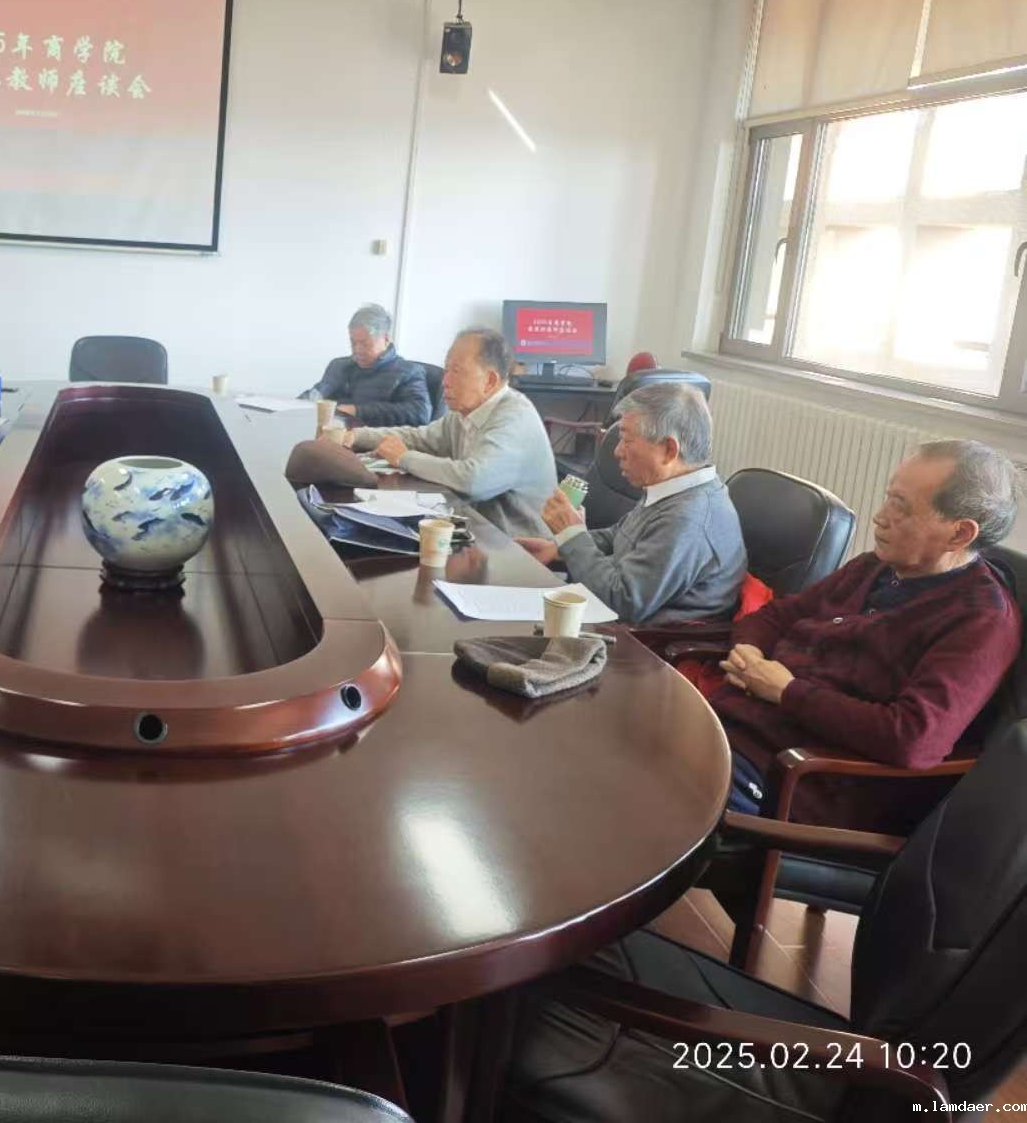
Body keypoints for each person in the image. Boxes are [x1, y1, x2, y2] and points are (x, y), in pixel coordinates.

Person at [712, 439, 1022, 830]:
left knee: (656, 806)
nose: (880, 516)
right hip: (731, 727)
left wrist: (787, 692)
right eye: (889, 497)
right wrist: (750, 653)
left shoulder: (981, 621)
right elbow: (777, 616)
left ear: (959, 534)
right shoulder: (874, 567)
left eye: (901, 506)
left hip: (795, 781)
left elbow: (913, 738)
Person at [518, 383, 745, 625]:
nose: (617, 451)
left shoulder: (688, 519)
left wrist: (571, 535)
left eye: (626, 440)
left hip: (643, 640)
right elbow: (619, 536)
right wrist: (558, 549)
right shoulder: (675, 488)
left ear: (669, 450)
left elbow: (621, 602)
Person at [346, 327, 556, 537]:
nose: (445, 381)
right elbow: (419, 437)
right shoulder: (465, 412)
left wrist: (404, 458)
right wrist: (356, 435)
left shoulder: (514, 417)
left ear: (490, 381)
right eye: (446, 369)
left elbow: (474, 480)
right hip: (475, 529)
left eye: (456, 371)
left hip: (518, 546)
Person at [298, 304, 431, 427]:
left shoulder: (408, 372)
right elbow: (318, 393)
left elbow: (420, 413)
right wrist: (300, 404)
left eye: (365, 344)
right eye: (353, 343)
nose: (358, 350)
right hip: (330, 434)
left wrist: (357, 410)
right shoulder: (339, 365)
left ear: (385, 339)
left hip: (371, 439)